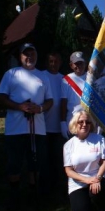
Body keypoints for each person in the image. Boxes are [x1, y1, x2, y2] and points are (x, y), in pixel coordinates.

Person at [0, 43, 53, 211]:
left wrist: (40, 108)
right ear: (20, 57)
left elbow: (50, 100)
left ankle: (32, 194)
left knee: (34, 163)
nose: (29, 57)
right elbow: (1, 97)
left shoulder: (43, 76)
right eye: (25, 54)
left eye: (32, 54)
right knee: (14, 163)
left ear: (36, 55)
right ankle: (14, 195)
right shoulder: (11, 74)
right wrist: (19, 106)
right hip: (15, 128)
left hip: (38, 128)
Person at [63, 109, 105, 211]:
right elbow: (68, 170)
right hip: (78, 182)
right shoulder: (68, 145)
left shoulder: (99, 139)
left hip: (99, 176)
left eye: (88, 122)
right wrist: (87, 180)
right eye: (81, 122)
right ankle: (95, 202)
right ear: (75, 124)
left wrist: (97, 178)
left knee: (96, 191)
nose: (85, 124)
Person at [41, 52, 64, 190]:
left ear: (60, 63)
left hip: (58, 126)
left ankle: (56, 187)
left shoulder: (64, 79)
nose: (53, 64)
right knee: (44, 159)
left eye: (56, 61)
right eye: (51, 61)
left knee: (57, 158)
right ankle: (44, 188)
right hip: (43, 126)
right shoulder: (41, 76)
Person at [61, 51, 87, 139]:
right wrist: (63, 122)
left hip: (88, 122)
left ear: (85, 63)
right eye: (76, 64)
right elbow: (63, 102)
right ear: (71, 65)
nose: (79, 66)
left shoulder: (92, 77)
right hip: (72, 121)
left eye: (81, 63)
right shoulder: (66, 79)